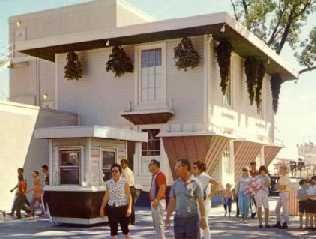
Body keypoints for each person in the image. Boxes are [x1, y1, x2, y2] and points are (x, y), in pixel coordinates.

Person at [166, 159, 207, 239]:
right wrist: (168, 217)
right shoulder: (175, 184)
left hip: (192, 220)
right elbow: (172, 202)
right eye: (175, 166)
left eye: (178, 166)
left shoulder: (196, 183)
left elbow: (201, 202)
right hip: (178, 220)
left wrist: (203, 217)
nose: (175, 168)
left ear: (185, 167)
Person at [100, 164, 132, 239]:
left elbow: (129, 196)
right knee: (113, 231)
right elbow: (106, 196)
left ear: (120, 172)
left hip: (122, 208)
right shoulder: (108, 183)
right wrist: (102, 207)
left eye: (116, 171)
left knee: (125, 231)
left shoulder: (125, 182)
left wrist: (129, 208)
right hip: (112, 209)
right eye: (112, 171)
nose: (114, 173)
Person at [192, 160, 218, 239]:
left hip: (204, 203)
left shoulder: (204, 176)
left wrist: (211, 194)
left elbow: (216, 183)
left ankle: (207, 237)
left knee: (204, 222)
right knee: (198, 222)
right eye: (193, 167)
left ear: (200, 168)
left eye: (195, 167)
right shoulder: (194, 177)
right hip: (197, 202)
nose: (193, 169)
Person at [148, 159, 167, 239]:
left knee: (159, 223)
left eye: (151, 164)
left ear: (155, 165)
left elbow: (162, 188)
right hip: (155, 201)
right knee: (156, 223)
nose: (149, 166)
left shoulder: (160, 175)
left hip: (158, 202)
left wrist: (156, 200)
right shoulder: (154, 175)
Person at [274, 164, 290, 229]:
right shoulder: (281, 177)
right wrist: (278, 186)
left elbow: (283, 187)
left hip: (285, 194)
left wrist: (278, 186)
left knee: (285, 209)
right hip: (281, 193)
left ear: (285, 170)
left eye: (281, 169)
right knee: (277, 209)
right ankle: (278, 222)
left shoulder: (286, 177)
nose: (280, 170)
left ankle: (285, 223)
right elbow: (276, 186)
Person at [121, 159, 136, 225]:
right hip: (131, 188)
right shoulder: (127, 170)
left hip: (129, 188)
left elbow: (126, 182)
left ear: (126, 164)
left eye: (123, 163)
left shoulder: (127, 171)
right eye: (121, 163)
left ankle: (129, 220)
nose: (122, 165)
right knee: (131, 205)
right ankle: (132, 220)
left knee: (129, 205)